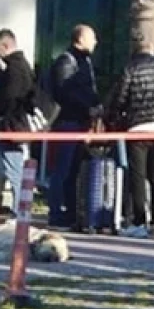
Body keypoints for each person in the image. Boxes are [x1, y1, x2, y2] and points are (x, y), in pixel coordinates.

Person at [108, 42, 154, 238]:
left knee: (137, 177)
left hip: (137, 127)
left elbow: (120, 97)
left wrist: (114, 117)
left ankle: (140, 221)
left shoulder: (130, 68)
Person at [46, 25, 101, 229]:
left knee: (74, 169)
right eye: (92, 38)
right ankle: (57, 211)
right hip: (68, 121)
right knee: (63, 168)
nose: (95, 42)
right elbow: (66, 91)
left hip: (80, 122)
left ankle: (70, 210)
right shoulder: (67, 61)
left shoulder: (84, 60)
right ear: (80, 38)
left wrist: (96, 106)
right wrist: (89, 107)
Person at [0, 30, 36, 213]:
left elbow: (8, 98)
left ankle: (19, 210)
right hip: (17, 124)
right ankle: (20, 209)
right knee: (15, 168)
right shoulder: (23, 66)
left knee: (13, 170)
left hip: (11, 125)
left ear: (5, 46)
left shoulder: (13, 69)